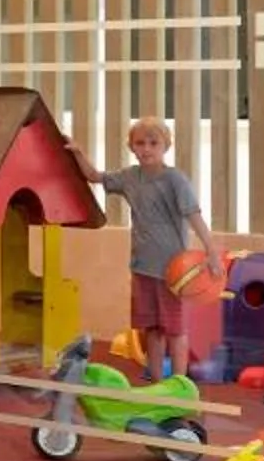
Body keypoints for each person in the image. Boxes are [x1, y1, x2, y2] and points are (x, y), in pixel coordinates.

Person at [68, 116, 223, 380]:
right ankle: (155, 378)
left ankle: (180, 383)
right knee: (151, 328)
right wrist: (78, 152)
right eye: (140, 143)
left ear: (166, 146)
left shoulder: (175, 180)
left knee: (175, 330)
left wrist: (211, 251)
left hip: (175, 271)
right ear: (131, 147)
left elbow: (194, 215)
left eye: (154, 143)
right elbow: (95, 177)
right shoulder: (129, 177)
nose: (147, 148)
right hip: (142, 267)